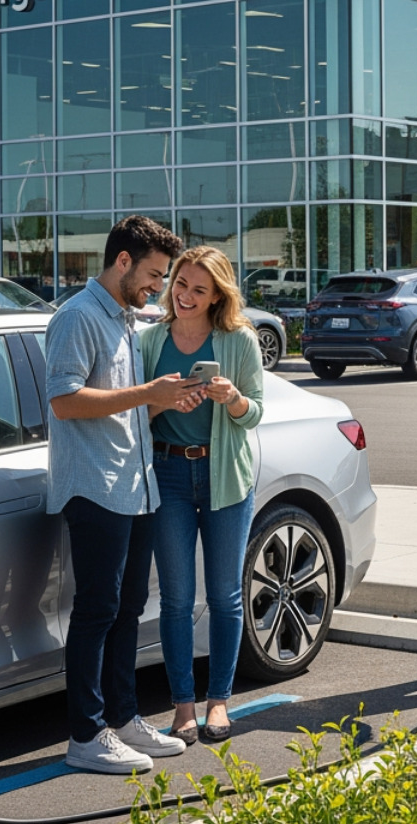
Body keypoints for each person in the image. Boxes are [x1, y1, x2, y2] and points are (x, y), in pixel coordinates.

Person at [45, 215, 191, 774]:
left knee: (129, 608)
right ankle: (86, 734)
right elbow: (64, 400)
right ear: (123, 261)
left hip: (135, 485)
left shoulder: (124, 319)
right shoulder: (77, 317)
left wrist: (165, 401)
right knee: (97, 611)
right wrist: (146, 392)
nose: (159, 287)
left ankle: (123, 719)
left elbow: (122, 405)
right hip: (95, 487)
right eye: (154, 274)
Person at [139, 246, 265, 747]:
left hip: (225, 477)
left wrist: (232, 398)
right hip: (167, 472)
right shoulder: (149, 340)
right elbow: (133, 416)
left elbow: (254, 412)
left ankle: (219, 702)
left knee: (225, 596)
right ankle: (183, 707)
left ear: (218, 296)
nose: (185, 296)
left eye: (199, 289)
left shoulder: (239, 341)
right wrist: (161, 400)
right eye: (180, 285)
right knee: (174, 598)